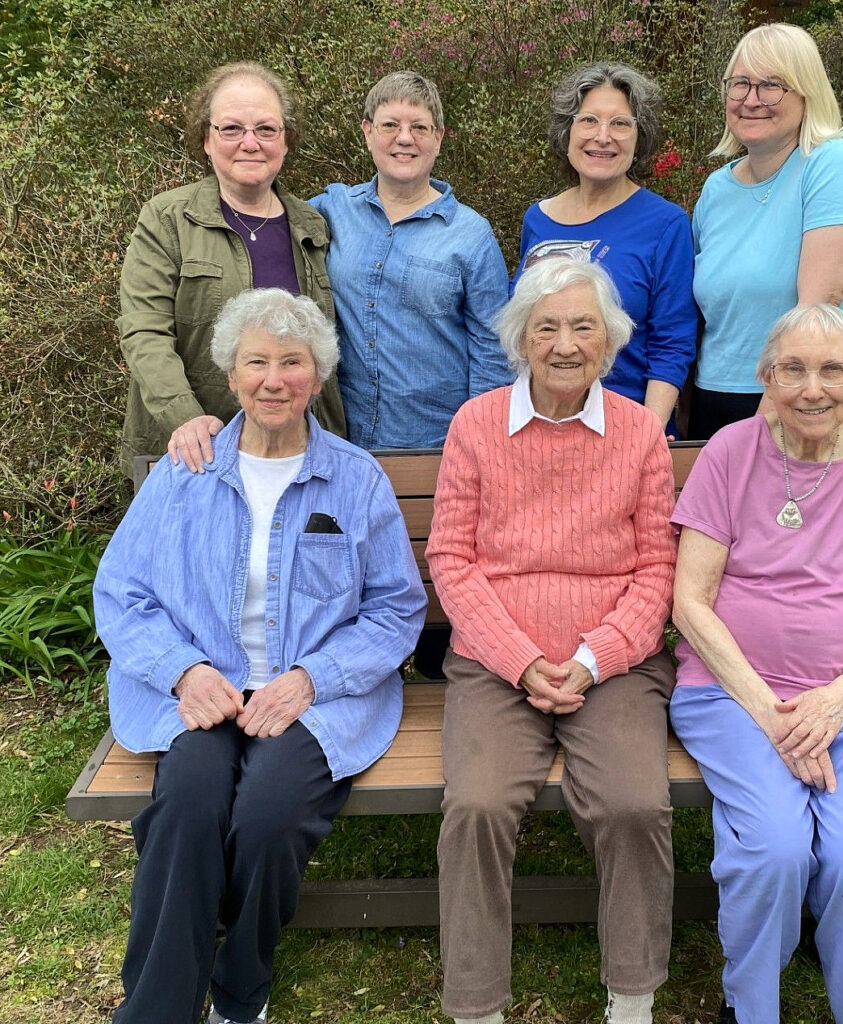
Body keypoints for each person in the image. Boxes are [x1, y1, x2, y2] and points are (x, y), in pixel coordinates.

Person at [94, 289, 426, 1024]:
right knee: (187, 804)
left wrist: (313, 678)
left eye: (293, 361)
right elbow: (121, 592)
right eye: (257, 362)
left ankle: (241, 992)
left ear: (319, 373)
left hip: (316, 694)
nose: (274, 379)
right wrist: (184, 669)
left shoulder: (355, 478)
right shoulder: (187, 470)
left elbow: (396, 609)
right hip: (202, 685)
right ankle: (154, 1010)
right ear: (232, 372)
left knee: (271, 814)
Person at [669, 304, 843, 1024]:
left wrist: (839, 698)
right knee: (773, 850)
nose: (811, 387)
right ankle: (750, 1006)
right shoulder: (729, 452)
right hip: (730, 696)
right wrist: (772, 713)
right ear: (765, 377)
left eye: (831, 369)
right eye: (792, 368)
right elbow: (690, 602)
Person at [426, 259, 677, 1024]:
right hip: (497, 662)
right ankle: (477, 1006)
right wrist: (523, 660)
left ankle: (632, 997)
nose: (566, 344)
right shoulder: (476, 424)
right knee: (476, 805)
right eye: (547, 327)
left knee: (635, 803)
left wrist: (594, 657)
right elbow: (451, 560)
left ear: (609, 342)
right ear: (520, 340)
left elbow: (656, 567)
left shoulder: (639, 432)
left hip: (616, 664)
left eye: (583, 327)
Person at [117, 62, 345, 476]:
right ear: (206, 139)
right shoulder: (168, 219)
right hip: (194, 453)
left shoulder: (312, 226)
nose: (250, 143)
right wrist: (186, 418)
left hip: (295, 453)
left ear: (286, 141)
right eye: (232, 129)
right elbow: (144, 331)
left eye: (266, 129)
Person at [688, 23, 843, 440]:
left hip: (807, 398)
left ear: (806, 92)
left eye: (771, 85)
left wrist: (765, 422)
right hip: (714, 395)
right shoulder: (717, 188)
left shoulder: (834, 165)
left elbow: (818, 305)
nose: (751, 100)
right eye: (740, 84)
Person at [309, 71, 511, 449]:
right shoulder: (331, 210)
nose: (405, 138)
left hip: (437, 447)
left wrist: (480, 445)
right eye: (390, 125)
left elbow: (494, 353)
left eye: (419, 126)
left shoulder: (471, 234)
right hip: (340, 444)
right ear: (367, 131)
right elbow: (265, 217)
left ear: (438, 137)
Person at [512, 61, 698, 437]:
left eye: (620, 124)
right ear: (568, 132)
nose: (603, 136)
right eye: (589, 121)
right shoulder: (538, 219)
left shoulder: (666, 224)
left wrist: (647, 432)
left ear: (638, 137)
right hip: (540, 423)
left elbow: (673, 343)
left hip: (627, 426)